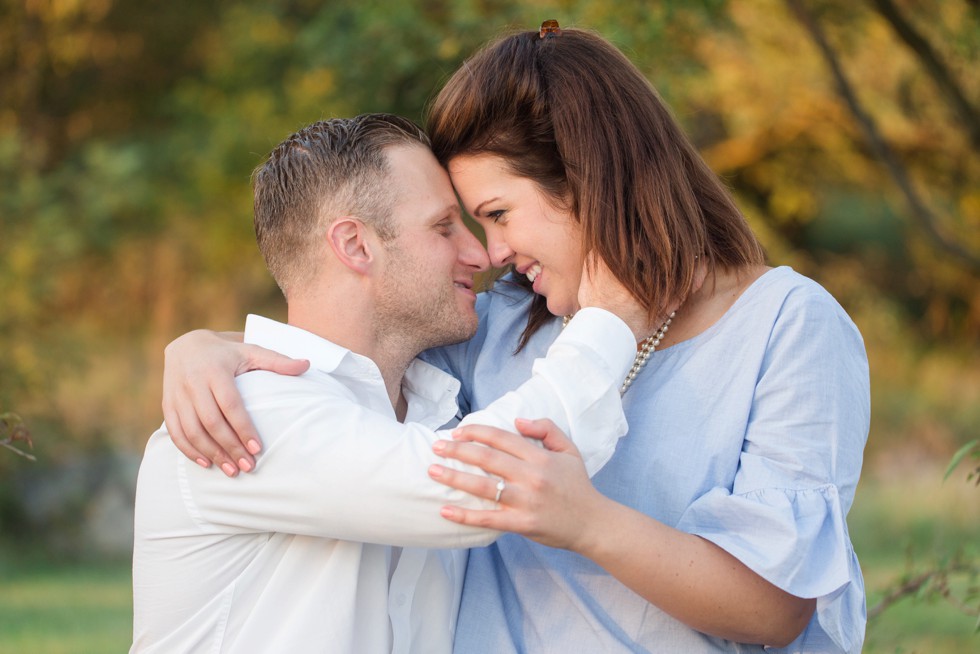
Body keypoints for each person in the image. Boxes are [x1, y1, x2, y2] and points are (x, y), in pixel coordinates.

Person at [161, 23, 870, 653]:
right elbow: (356, 328)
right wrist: (206, 347)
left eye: (497, 213)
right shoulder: (497, 325)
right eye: (464, 223)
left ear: (591, 181)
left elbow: (775, 607)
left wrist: (588, 523)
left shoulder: (787, 323)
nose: (490, 250)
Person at [131, 113, 658, 653]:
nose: (479, 255)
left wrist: (200, 341)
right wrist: (612, 318)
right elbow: (475, 488)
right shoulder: (247, 412)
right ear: (357, 246)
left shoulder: (432, 409)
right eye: (444, 226)